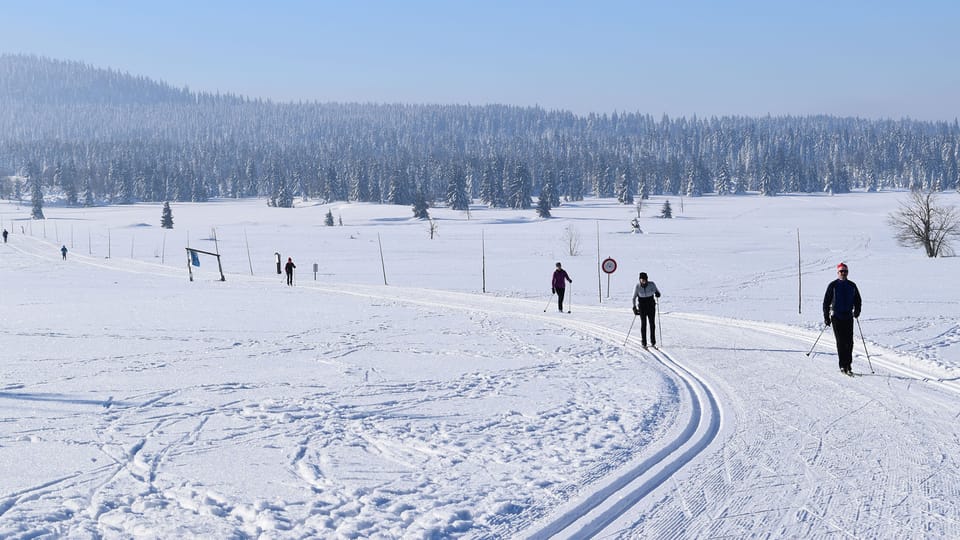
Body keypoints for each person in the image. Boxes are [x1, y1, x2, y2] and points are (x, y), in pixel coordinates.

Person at [822, 262, 862, 376]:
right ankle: (842, 365)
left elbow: (858, 300)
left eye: (845, 271)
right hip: (836, 317)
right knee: (841, 342)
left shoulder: (852, 285)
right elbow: (826, 302)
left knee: (849, 342)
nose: (843, 273)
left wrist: (857, 310)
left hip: (848, 316)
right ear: (838, 273)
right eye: (841, 271)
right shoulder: (833, 285)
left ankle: (848, 365)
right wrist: (826, 316)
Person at [632, 272, 661, 348]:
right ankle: (644, 342)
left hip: (651, 305)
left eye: (644, 279)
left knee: (652, 323)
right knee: (643, 324)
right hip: (642, 306)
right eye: (642, 280)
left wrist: (657, 294)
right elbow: (633, 298)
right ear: (640, 280)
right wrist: (634, 307)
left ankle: (653, 341)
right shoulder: (637, 286)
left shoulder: (652, 284)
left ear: (647, 279)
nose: (643, 281)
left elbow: (658, 292)